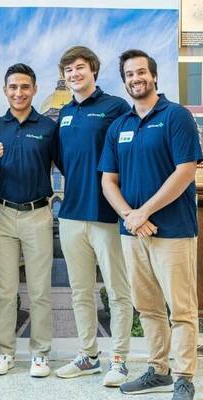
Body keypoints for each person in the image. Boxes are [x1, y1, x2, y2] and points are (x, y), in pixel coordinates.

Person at [100, 49, 201, 400]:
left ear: (154, 76)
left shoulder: (176, 117)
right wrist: (131, 215)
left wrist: (145, 211)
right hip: (132, 234)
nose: (135, 78)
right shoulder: (119, 126)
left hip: (173, 231)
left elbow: (185, 171)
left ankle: (185, 376)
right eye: (129, 74)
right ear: (125, 80)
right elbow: (108, 181)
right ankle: (159, 371)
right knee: (149, 308)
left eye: (141, 72)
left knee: (182, 309)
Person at [54, 46, 134, 387]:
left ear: (94, 71)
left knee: (117, 291)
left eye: (80, 67)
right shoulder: (64, 113)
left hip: (107, 214)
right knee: (80, 291)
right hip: (71, 213)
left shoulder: (115, 107)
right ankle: (88, 355)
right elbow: (62, 159)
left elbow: (127, 154)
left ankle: (120, 360)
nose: (74, 74)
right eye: (68, 69)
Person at [0, 63, 55, 378]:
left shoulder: (48, 127)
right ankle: (5, 352)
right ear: (5, 90)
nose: (19, 92)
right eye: (13, 87)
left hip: (38, 214)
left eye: (25, 87)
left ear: (34, 90)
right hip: (1, 215)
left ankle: (40, 354)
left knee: (40, 290)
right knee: (5, 290)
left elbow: (68, 165)